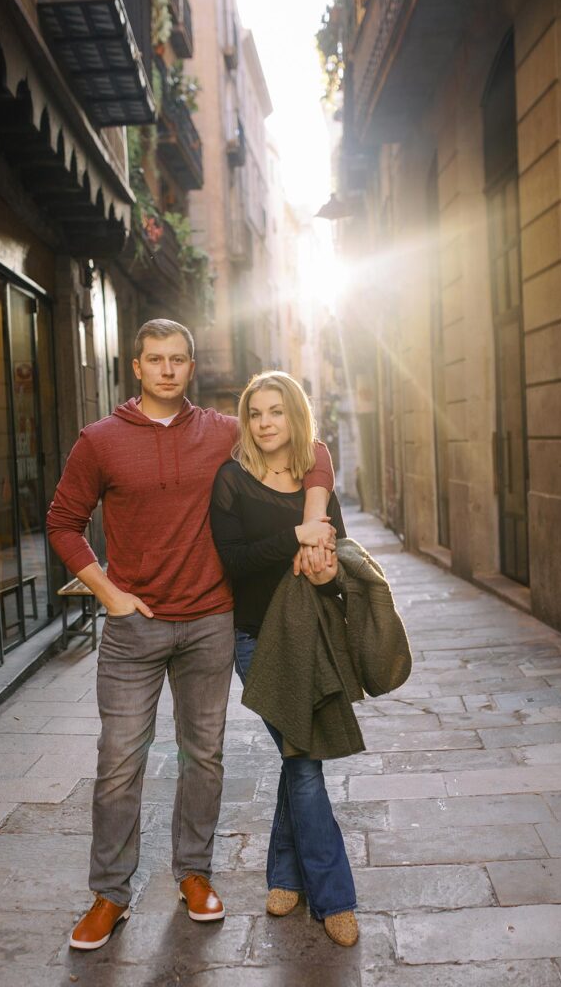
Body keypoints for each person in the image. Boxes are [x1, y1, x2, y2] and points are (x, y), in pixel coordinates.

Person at [46, 319, 336, 951]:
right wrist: (110, 595)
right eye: (156, 360)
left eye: (179, 360)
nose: (168, 370)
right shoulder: (99, 441)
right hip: (133, 628)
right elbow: (64, 523)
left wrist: (315, 520)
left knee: (202, 757)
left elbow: (311, 450)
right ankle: (109, 895)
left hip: (210, 622)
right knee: (119, 764)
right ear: (137, 367)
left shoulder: (223, 433)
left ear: (191, 367)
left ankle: (195, 874)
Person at [209, 371, 359, 948]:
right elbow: (233, 561)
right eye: (256, 413)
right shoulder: (232, 480)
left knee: (299, 755)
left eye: (277, 412)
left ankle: (284, 876)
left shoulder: (314, 481)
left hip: (313, 635)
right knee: (302, 756)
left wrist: (325, 565)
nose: (266, 423)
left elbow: (337, 552)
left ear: (295, 417)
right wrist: (294, 536)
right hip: (255, 638)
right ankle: (335, 898)